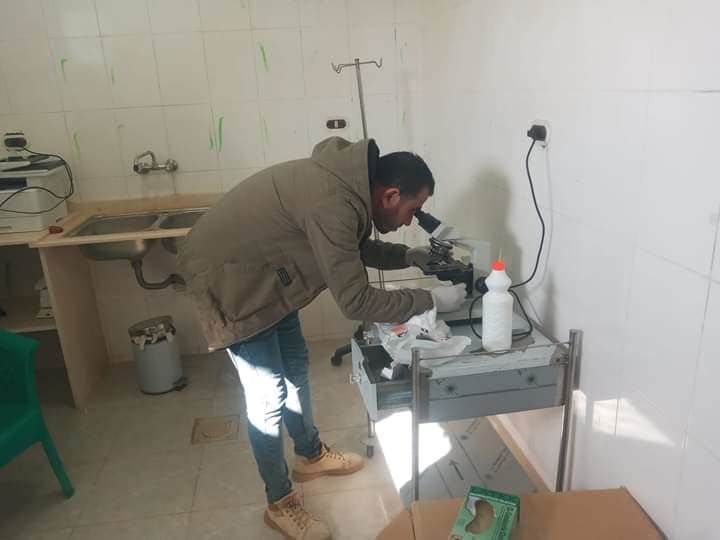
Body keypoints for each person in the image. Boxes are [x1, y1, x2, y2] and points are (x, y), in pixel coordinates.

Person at [178, 137, 466, 539]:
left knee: (295, 366)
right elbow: (355, 300)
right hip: (231, 282)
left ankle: (310, 456)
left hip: (265, 275)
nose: (408, 222)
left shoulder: (348, 187)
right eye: (412, 210)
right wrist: (429, 299)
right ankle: (279, 502)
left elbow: (352, 247)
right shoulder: (334, 203)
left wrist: (408, 256)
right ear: (390, 195)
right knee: (268, 397)